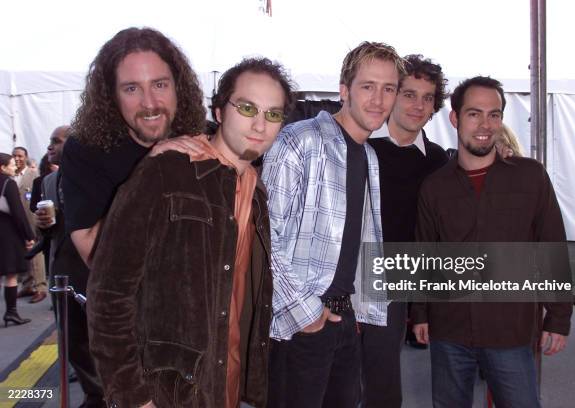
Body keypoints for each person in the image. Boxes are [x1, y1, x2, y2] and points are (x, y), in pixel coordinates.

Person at [87, 57, 294, 408]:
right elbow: (108, 295)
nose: (260, 124)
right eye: (247, 107)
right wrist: (133, 398)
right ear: (218, 111)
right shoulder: (167, 172)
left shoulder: (256, 192)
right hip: (168, 392)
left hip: (224, 385)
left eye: (273, 114)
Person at [411, 76, 572, 408]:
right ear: (455, 118)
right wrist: (420, 313)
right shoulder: (435, 186)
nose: (485, 124)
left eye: (494, 114)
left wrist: (558, 317)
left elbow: (551, 247)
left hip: (510, 330)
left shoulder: (530, 176)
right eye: (474, 114)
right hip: (449, 329)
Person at [262, 41, 405, 408]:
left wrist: (360, 306)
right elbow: (264, 237)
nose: (378, 99)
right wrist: (307, 312)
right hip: (300, 320)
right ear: (344, 91)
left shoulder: (369, 156)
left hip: (343, 319)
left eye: (388, 89)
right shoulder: (300, 140)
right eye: (367, 86)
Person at [61, 26, 207, 266]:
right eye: (131, 88)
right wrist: (150, 170)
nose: (149, 103)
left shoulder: (204, 138)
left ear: (178, 87)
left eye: (159, 85)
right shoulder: (85, 151)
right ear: (111, 96)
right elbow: (93, 255)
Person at [363, 54, 449, 407]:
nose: (418, 105)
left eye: (427, 98)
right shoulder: (362, 146)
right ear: (393, 95)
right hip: (347, 275)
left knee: (383, 381)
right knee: (335, 379)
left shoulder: (437, 159)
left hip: (397, 281)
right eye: (409, 94)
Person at [34, 126, 105, 407]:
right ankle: (94, 392)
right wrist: (43, 226)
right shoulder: (48, 181)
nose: (50, 147)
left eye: (57, 141)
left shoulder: (98, 178)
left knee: (102, 336)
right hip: (60, 270)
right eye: (50, 141)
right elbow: (47, 230)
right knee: (72, 338)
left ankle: (109, 392)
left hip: (92, 267)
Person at [0, 153, 35, 326]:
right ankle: (11, 313)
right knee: (10, 275)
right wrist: (29, 235)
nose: (14, 167)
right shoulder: (8, 183)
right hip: (7, 235)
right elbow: (18, 213)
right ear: (3, 167)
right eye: (12, 164)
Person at [12, 146, 47, 302]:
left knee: (36, 252)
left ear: (25, 157)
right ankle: (27, 285)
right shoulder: (11, 175)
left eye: (20, 156)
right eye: (15, 156)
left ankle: (40, 287)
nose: (17, 158)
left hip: (31, 219)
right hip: (15, 221)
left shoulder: (33, 174)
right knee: (21, 251)